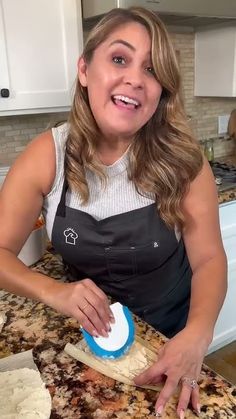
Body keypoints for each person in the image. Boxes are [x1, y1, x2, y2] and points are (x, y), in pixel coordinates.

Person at [0, 7, 227, 418]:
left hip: (169, 336)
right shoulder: (47, 156)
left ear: (162, 91)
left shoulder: (185, 163)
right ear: (85, 69)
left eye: (152, 69)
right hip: (88, 336)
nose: (136, 79)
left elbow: (209, 258)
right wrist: (54, 292)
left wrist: (197, 334)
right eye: (119, 59)